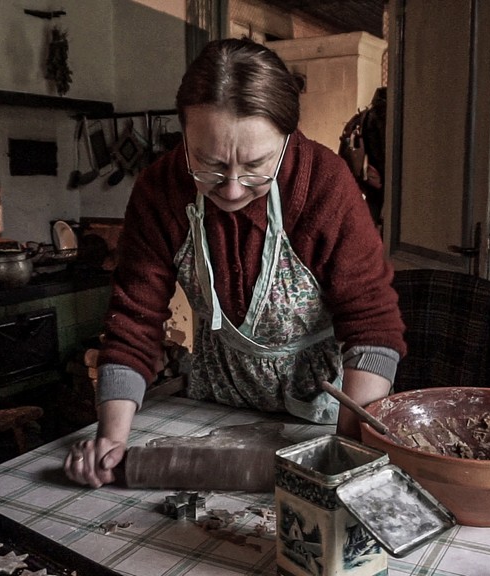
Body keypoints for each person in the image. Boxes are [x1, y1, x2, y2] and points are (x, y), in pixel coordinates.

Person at [64, 38, 406, 488]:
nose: (230, 189)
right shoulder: (159, 190)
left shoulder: (325, 184)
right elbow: (134, 320)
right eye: (209, 163)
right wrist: (111, 438)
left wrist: (348, 448)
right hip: (215, 409)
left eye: (255, 166)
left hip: (326, 417)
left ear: (286, 139)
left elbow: (373, 324)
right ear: (183, 133)